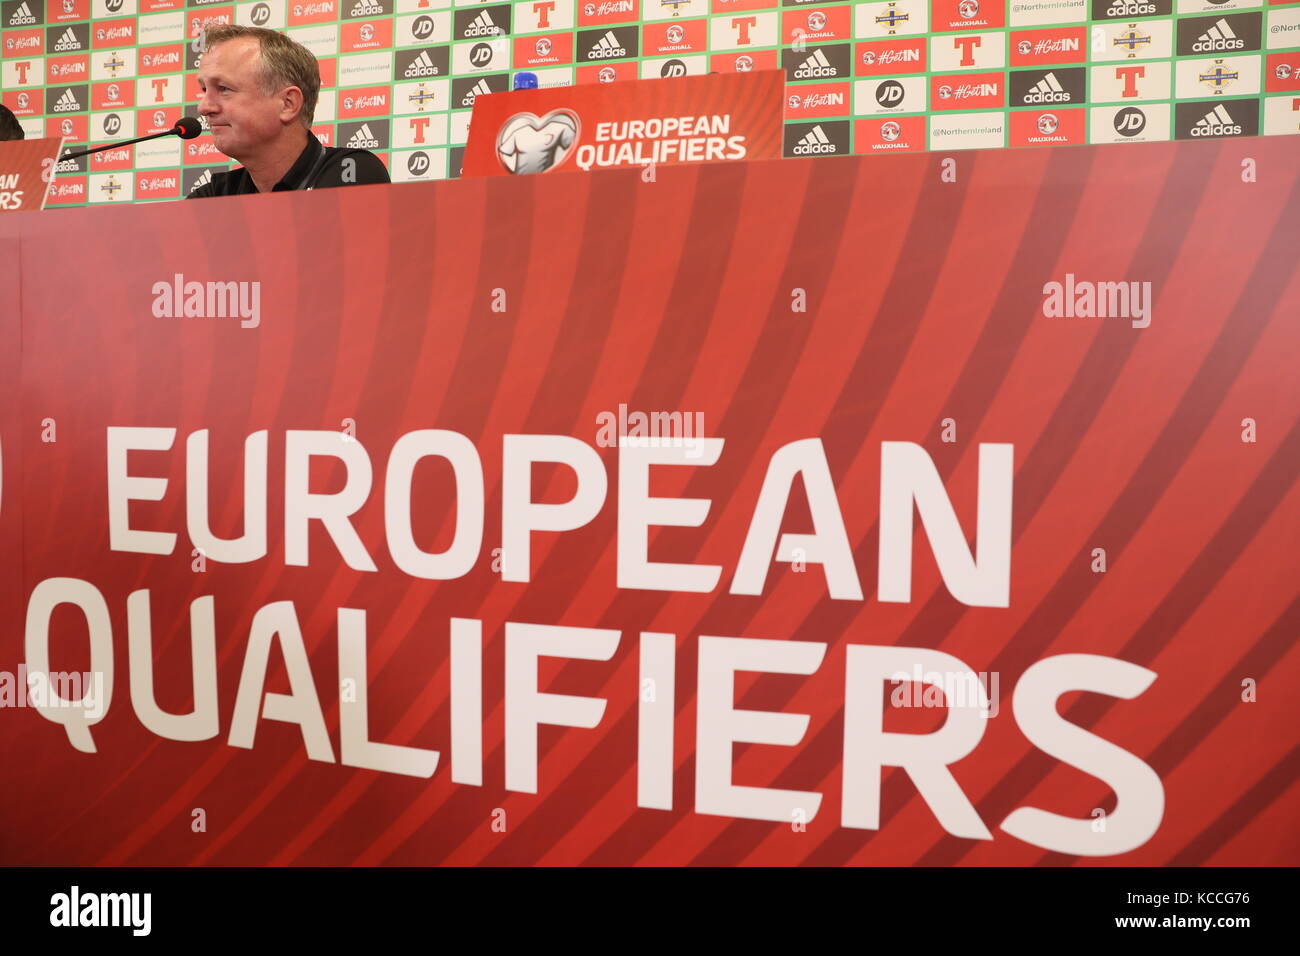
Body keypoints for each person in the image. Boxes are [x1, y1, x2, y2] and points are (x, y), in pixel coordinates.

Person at [189, 25, 388, 197]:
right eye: (205, 90)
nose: (203, 107)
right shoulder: (215, 196)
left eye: (224, 88)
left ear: (288, 103)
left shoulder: (352, 171)